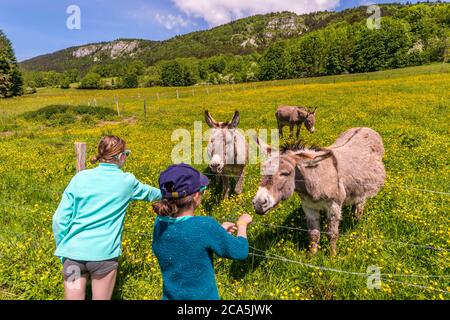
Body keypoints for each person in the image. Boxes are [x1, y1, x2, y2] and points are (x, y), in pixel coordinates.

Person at [52, 135, 162, 300]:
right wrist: (180, 191)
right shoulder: (127, 181)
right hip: (103, 256)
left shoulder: (80, 178)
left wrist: (64, 251)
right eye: (126, 154)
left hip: (72, 254)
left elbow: (59, 220)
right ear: (121, 157)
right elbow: (155, 194)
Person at [152, 163, 252, 300]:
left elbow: (187, 241)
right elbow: (240, 251)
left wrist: (219, 232)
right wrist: (242, 224)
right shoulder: (205, 226)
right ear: (196, 195)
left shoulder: (159, 223)